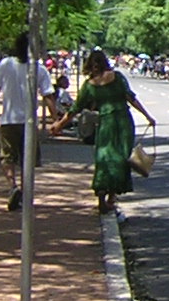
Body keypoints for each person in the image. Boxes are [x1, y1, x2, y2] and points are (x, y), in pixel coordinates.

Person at [52, 50, 155, 214]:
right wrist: (148, 116)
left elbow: (75, 109)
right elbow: (131, 98)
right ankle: (111, 198)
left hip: (106, 123)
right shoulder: (117, 77)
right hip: (123, 122)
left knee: (104, 158)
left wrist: (59, 125)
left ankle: (101, 195)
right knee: (120, 158)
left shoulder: (89, 85)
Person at [0, 33, 56, 212]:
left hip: (8, 120)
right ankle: (24, 191)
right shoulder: (39, 69)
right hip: (29, 122)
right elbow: (48, 96)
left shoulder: (6, 64)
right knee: (28, 159)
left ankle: (12, 186)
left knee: (6, 157)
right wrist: (56, 119)